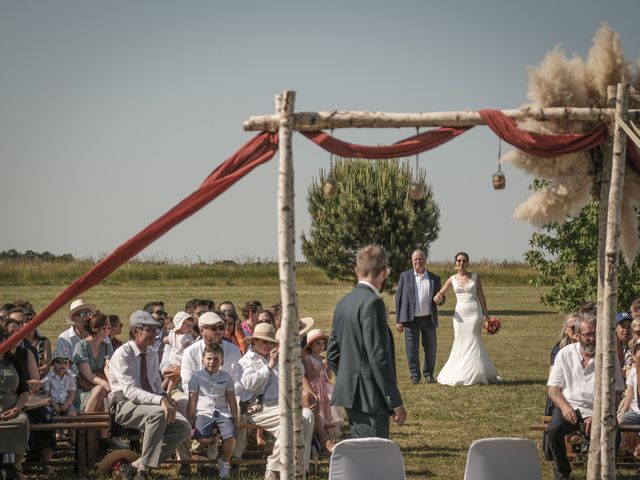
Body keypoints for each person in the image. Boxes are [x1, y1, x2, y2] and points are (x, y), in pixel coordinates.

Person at [328, 244, 406, 439]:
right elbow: (378, 357)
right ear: (385, 272)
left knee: (361, 452)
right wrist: (394, 401)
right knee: (373, 456)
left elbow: (332, 354)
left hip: (350, 395)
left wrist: (348, 377)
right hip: (371, 396)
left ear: (356, 271)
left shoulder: (343, 303)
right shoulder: (373, 304)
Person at [108, 310, 191, 480]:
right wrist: (160, 400)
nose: (154, 335)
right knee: (159, 413)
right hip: (123, 404)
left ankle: (136, 466)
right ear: (136, 331)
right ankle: (143, 471)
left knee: (184, 427)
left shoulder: (152, 353)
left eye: (156, 330)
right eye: (150, 330)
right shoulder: (122, 354)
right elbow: (130, 391)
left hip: (149, 403)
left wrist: (166, 398)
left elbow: (154, 385)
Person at [238, 322, 314, 480]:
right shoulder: (246, 360)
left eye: (271, 342)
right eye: (264, 341)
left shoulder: (278, 357)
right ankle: (273, 469)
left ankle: (300, 468)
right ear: (254, 341)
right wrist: (270, 365)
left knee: (307, 415)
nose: (268, 345)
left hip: (278, 406)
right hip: (256, 408)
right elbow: (248, 384)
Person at [434, 251, 499, 386]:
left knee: (474, 340)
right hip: (460, 317)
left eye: (464, 261)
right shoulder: (451, 279)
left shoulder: (475, 277)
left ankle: (476, 373)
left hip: (474, 314)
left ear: (467, 263)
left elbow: (481, 296)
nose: (461, 263)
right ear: (455, 264)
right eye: (459, 261)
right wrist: (437, 297)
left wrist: (486, 315)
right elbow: (440, 293)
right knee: (460, 341)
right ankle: (460, 372)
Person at [187, 343, 238, 478]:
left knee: (231, 436)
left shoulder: (227, 377)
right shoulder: (196, 377)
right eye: (209, 358)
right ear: (203, 359)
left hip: (223, 412)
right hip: (204, 412)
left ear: (222, 361)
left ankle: (225, 463)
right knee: (201, 438)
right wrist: (190, 417)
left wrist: (235, 417)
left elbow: (231, 399)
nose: (212, 362)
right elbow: (192, 398)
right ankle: (213, 441)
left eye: (216, 359)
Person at [395, 249, 443, 384]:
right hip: (410, 319)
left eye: (420, 259)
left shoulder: (434, 278)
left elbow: (441, 298)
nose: (418, 261)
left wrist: (441, 300)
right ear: (412, 261)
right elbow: (398, 299)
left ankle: (428, 374)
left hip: (429, 319)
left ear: (425, 260)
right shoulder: (405, 276)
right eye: (415, 259)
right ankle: (415, 376)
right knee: (411, 349)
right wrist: (399, 320)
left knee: (431, 349)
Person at [302, 328, 343, 452]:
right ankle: (319, 435)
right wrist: (320, 367)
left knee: (327, 411)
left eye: (323, 343)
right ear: (311, 345)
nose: (321, 346)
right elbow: (310, 376)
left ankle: (327, 435)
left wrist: (329, 367)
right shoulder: (308, 358)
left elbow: (329, 376)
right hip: (316, 387)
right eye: (317, 343)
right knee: (319, 411)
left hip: (325, 387)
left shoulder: (322, 358)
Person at [0, 324, 30, 479]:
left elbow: (24, 390)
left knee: (22, 421)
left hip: (11, 413)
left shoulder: (14, 361)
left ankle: (14, 468)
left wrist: (17, 409)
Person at [57, 299, 94, 374]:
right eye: (82, 314)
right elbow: (64, 368)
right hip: (73, 382)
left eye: (89, 313)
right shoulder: (64, 339)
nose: (87, 317)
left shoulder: (99, 334)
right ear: (73, 318)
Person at [162, 311, 195, 394]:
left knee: (170, 377)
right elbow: (187, 350)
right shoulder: (185, 337)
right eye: (187, 325)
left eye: (191, 326)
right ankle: (168, 391)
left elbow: (165, 340)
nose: (189, 328)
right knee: (175, 378)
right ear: (180, 325)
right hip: (181, 360)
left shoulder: (172, 334)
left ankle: (161, 388)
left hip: (173, 358)